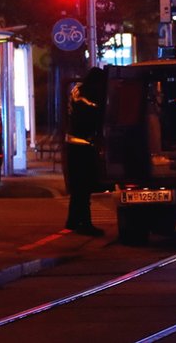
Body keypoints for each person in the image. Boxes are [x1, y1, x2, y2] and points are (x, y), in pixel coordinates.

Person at [64, 67, 107, 236]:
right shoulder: (87, 96)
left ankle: (73, 221)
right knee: (84, 187)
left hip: (74, 143)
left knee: (78, 188)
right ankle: (85, 224)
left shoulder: (77, 90)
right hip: (82, 146)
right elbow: (95, 112)